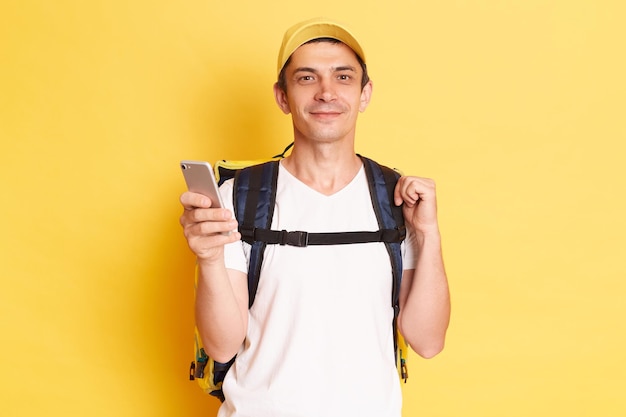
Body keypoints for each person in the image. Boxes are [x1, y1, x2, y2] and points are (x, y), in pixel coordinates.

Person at [180, 17, 451, 417]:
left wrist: (427, 233)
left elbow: (427, 341)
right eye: (307, 78)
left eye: (343, 77)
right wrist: (208, 258)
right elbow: (222, 345)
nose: (327, 93)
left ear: (364, 93)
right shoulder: (238, 196)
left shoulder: (395, 197)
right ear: (283, 96)